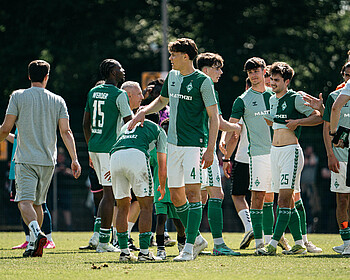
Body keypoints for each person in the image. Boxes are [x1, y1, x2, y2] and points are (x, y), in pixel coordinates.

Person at [128, 38, 219, 261]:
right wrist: (143, 112)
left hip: (194, 146)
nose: (170, 59)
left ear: (185, 56)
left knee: (192, 194)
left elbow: (214, 118)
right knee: (177, 196)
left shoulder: (203, 81)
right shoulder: (173, 77)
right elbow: (161, 100)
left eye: (173, 55)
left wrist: (209, 149)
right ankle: (196, 238)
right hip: (172, 145)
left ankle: (188, 247)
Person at [0, 60, 81, 257]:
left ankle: (36, 233)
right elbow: (66, 131)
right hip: (48, 161)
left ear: (29, 76)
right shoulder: (58, 100)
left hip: (26, 159)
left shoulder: (18, 96)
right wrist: (74, 159)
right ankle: (32, 246)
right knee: (38, 204)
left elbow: (5, 129)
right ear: (47, 77)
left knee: (23, 202)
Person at [257, 61, 322, 255]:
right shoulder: (272, 99)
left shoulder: (295, 98)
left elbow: (318, 116)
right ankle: (300, 244)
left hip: (290, 153)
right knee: (290, 201)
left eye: (276, 80)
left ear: (286, 81)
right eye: (271, 79)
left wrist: (298, 122)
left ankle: (272, 245)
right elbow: (275, 122)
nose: (272, 83)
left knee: (283, 201)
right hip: (274, 152)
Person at [221, 57, 275, 253]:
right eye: (250, 72)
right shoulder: (242, 100)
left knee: (284, 197)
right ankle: (261, 242)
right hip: (254, 156)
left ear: (264, 71)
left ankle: (291, 241)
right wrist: (224, 144)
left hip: (278, 154)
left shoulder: (275, 96)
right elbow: (232, 126)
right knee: (259, 197)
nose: (253, 75)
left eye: (256, 71)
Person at [83, 59, 132, 253]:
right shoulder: (119, 94)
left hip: (94, 146)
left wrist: (89, 147)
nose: (123, 71)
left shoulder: (93, 92)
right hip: (109, 149)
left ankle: (102, 238)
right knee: (110, 195)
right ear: (112, 72)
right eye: (120, 68)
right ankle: (104, 241)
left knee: (107, 193)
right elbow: (130, 123)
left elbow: (85, 124)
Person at [195, 52, 241, 256]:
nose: (221, 72)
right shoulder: (207, 87)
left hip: (191, 147)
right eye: (217, 68)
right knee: (217, 194)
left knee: (200, 196)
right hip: (205, 148)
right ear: (206, 70)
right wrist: (236, 127)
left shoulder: (192, 84)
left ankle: (191, 239)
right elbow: (218, 121)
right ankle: (219, 244)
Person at [110, 119, 167, 261]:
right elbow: (162, 163)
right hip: (136, 156)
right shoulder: (159, 129)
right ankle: (144, 253)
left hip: (115, 157)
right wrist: (163, 185)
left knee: (122, 207)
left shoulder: (125, 125)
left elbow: (120, 146)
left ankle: (124, 252)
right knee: (146, 206)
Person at [323, 86, 350, 256]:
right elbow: (326, 129)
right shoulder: (334, 96)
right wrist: (330, 155)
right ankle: (346, 240)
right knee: (342, 201)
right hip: (340, 158)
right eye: (347, 74)